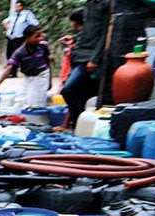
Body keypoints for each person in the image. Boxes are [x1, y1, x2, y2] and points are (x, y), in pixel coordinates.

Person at [61, 0, 109, 129]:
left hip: (88, 57)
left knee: (67, 90)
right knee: (79, 92)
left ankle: (78, 119)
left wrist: (94, 58)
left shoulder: (105, 5)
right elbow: (89, 31)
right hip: (80, 55)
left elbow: (104, 35)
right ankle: (77, 123)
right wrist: (75, 38)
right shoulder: (89, 5)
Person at [0, 25, 51, 109]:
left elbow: (48, 61)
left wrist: (50, 81)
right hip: (28, 76)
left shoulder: (43, 46)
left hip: (42, 75)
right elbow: (8, 70)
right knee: (21, 100)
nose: (40, 39)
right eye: (36, 36)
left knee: (35, 103)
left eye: (40, 36)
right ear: (27, 37)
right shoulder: (20, 52)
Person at [2, 0, 40, 78]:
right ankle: (10, 71)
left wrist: (27, 32)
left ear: (22, 6)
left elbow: (35, 23)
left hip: (19, 37)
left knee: (15, 54)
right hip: (11, 37)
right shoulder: (14, 15)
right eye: (16, 6)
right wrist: (9, 29)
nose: (17, 7)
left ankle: (13, 72)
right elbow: (4, 21)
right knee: (9, 54)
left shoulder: (27, 14)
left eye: (19, 6)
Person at [59, 10, 84, 88]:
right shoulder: (78, 36)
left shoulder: (84, 36)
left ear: (75, 23)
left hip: (80, 65)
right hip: (74, 67)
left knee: (67, 90)